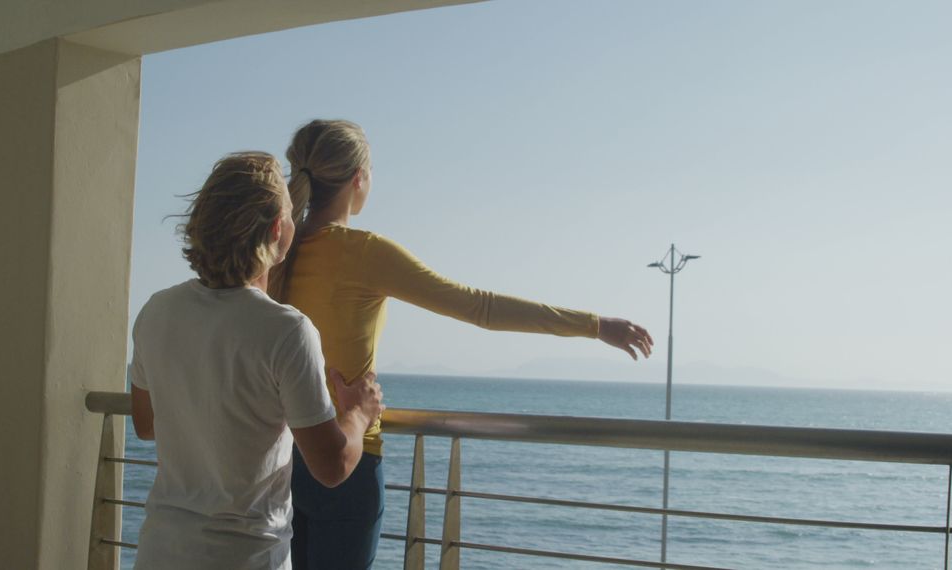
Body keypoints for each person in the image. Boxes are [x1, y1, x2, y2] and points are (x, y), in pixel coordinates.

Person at [267, 120, 655, 569]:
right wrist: (594, 324)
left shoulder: (279, 250)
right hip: (346, 466)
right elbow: (480, 308)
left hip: (287, 462)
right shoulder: (365, 252)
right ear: (359, 178)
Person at [129, 151, 385, 570]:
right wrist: (359, 413)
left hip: (161, 552)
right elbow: (332, 467)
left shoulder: (157, 311)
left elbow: (145, 423)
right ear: (277, 230)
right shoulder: (286, 330)